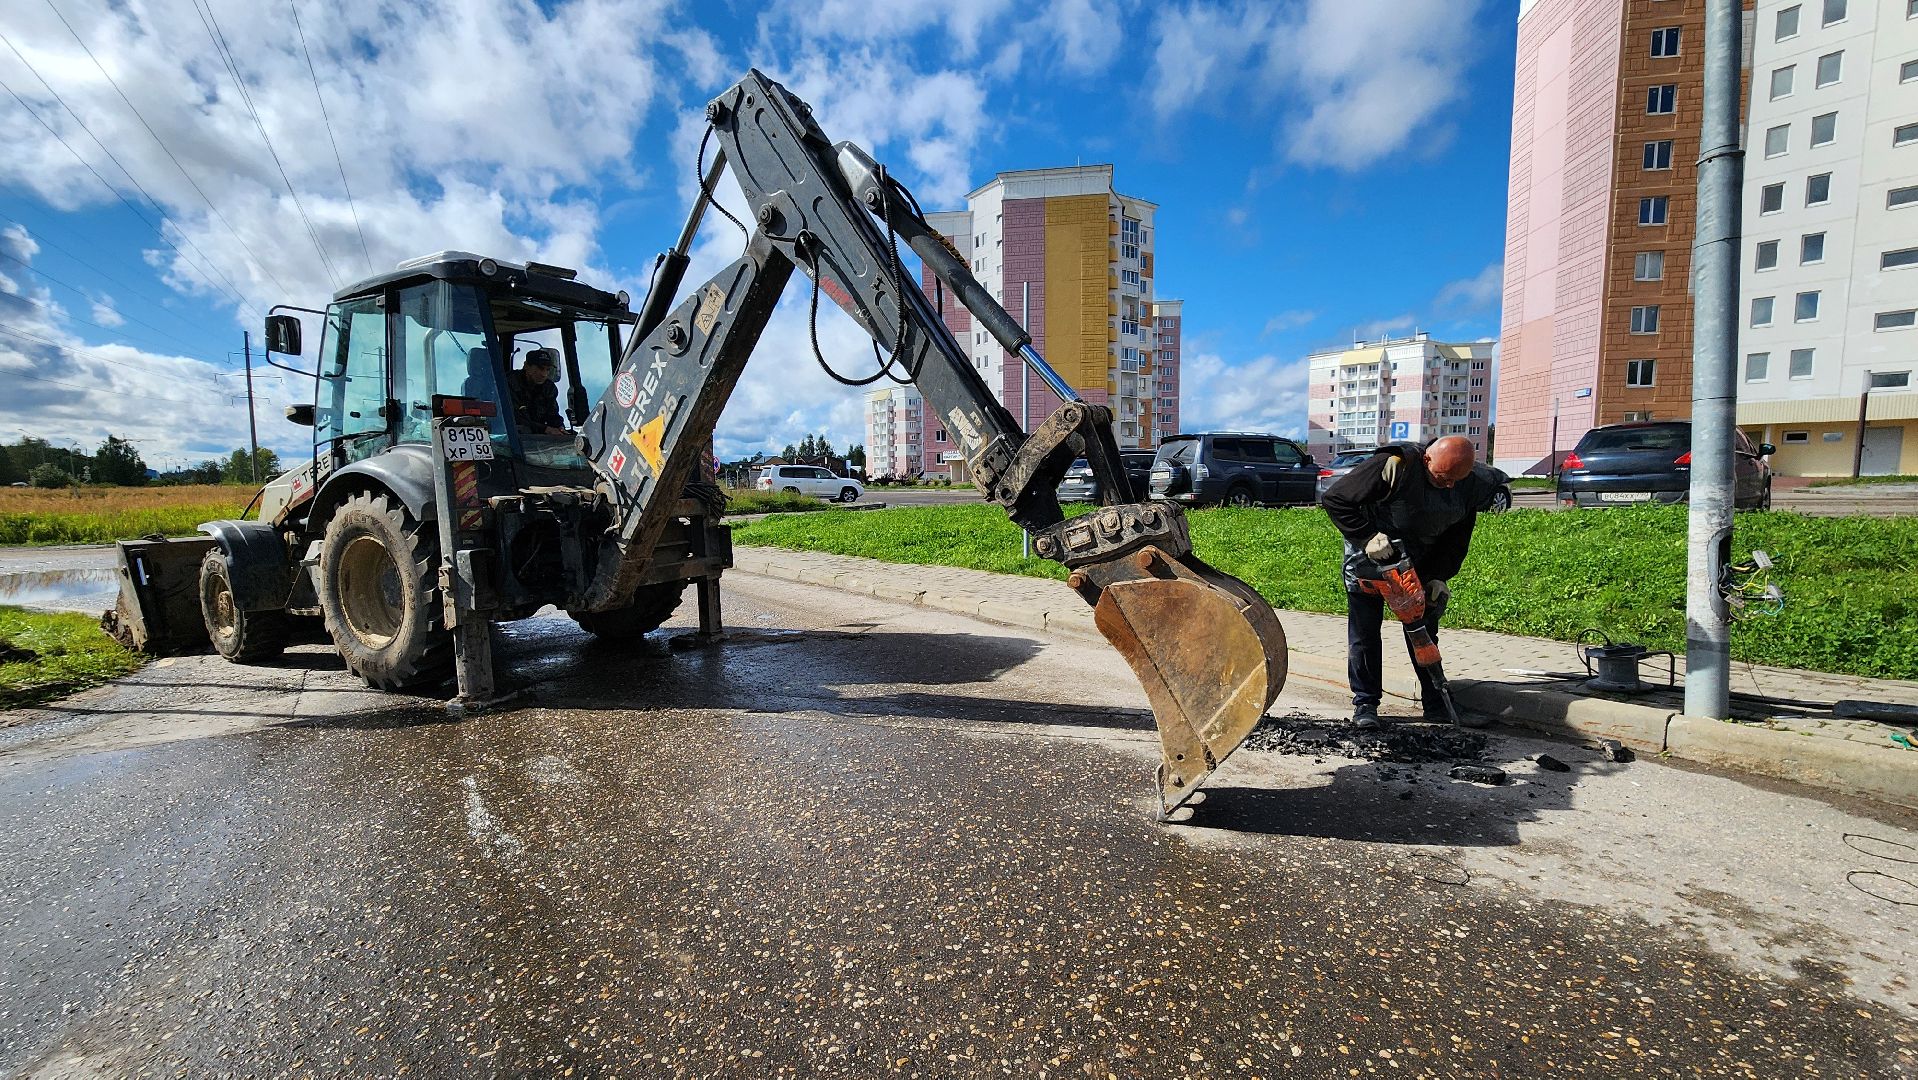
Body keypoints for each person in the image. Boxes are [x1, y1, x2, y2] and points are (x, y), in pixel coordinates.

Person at [1320, 435, 1506, 730]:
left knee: (1423, 633)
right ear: (1427, 459)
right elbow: (1335, 499)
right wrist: (1366, 536)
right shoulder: (1395, 465)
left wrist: (1439, 575)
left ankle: (1437, 705)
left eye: (1455, 480)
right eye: (1442, 478)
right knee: (1365, 633)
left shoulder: (1469, 484)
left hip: (1420, 563)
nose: (1448, 486)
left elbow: (1458, 537)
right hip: (1370, 558)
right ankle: (1366, 704)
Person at [506, 348, 567, 436]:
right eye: (540, 368)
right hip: (515, 436)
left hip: (537, 440)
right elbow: (513, 417)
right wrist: (545, 429)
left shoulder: (549, 388)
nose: (544, 374)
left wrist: (559, 427)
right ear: (526, 366)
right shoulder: (509, 383)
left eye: (548, 370)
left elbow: (553, 414)